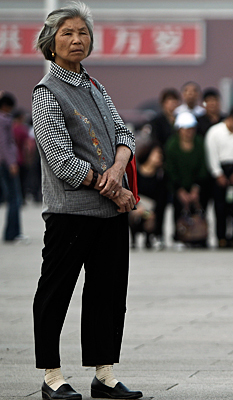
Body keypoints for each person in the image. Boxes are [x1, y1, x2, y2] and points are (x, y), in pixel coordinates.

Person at [31, 3, 142, 399]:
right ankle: (52, 376)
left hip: (110, 212)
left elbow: (123, 131)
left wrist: (118, 167)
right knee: (56, 291)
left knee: (108, 293)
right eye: (67, 33)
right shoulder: (46, 93)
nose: (77, 39)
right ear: (50, 41)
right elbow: (62, 162)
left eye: (82, 32)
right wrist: (112, 184)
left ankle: (104, 374)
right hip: (70, 212)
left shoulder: (95, 85)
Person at [204, 105, 233, 248]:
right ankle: (221, 237)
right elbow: (211, 154)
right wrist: (218, 173)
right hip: (220, 171)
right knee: (220, 206)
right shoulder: (215, 131)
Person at [164, 112, 209, 246]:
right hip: (178, 186)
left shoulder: (199, 143)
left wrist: (196, 187)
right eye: (185, 129)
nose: (189, 132)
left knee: (200, 209)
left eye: (191, 129)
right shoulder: (171, 145)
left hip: (197, 185)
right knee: (178, 209)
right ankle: (179, 237)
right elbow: (170, 169)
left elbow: (202, 166)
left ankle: (200, 237)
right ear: (179, 130)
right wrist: (179, 190)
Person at [130, 142, 168, 250]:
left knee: (151, 218)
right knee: (132, 214)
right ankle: (133, 238)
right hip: (137, 207)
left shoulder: (160, 176)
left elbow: (161, 198)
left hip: (151, 210)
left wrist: (150, 212)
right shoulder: (135, 173)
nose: (159, 157)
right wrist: (137, 206)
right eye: (157, 154)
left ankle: (150, 238)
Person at [0, 93, 25, 243]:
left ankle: (11, 232)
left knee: (12, 198)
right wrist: (11, 163)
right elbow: (4, 143)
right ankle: (13, 233)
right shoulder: (4, 120)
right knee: (15, 198)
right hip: (7, 163)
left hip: (3, 163)